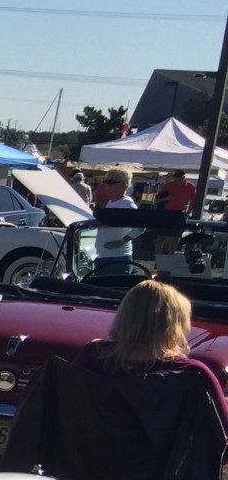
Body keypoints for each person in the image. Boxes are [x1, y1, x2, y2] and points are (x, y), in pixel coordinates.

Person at [75, 279, 228, 429]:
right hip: (169, 455)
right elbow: (221, 427)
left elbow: (68, 407)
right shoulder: (193, 374)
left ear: (124, 317)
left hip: (99, 452)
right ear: (173, 327)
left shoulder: (93, 356)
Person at [90, 169, 143, 270]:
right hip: (104, 257)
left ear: (124, 185)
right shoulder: (112, 202)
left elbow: (140, 227)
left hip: (118, 259)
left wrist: (122, 241)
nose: (106, 186)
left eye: (111, 182)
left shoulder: (127, 204)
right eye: (105, 182)